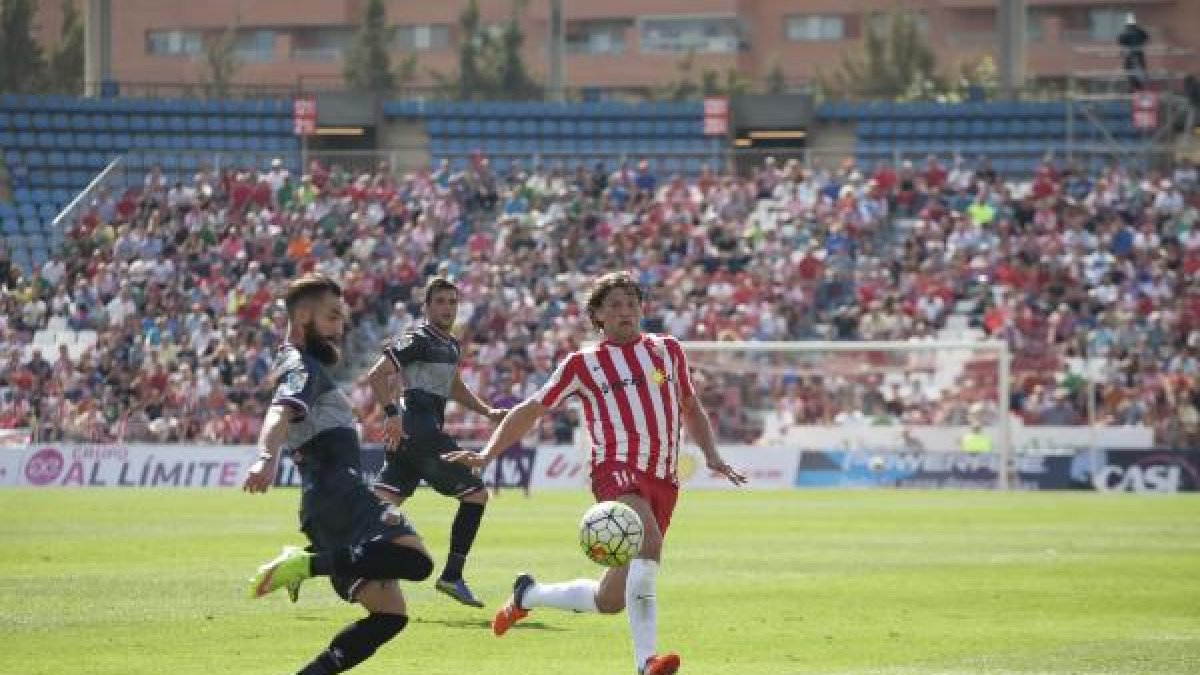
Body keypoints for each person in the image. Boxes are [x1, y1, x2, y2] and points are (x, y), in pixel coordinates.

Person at [446, 271, 747, 675]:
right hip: (616, 470)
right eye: (615, 305)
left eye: (631, 303)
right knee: (648, 543)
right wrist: (486, 454)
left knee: (610, 600)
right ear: (598, 316)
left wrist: (710, 454)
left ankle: (528, 595)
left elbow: (690, 407)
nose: (626, 311)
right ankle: (646, 663)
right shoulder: (583, 365)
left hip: (663, 478)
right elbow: (531, 410)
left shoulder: (667, 351)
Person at [243, 272, 435, 675]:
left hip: (324, 508)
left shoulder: (302, 365)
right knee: (416, 561)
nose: (340, 325)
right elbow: (279, 411)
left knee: (390, 615)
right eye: (332, 316)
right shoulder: (302, 364)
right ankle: (307, 564)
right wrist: (265, 457)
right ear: (303, 319)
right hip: (340, 496)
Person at [366, 276, 508, 608]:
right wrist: (391, 414)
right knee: (476, 494)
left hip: (410, 438)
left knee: (374, 511)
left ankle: (305, 563)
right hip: (421, 431)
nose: (447, 308)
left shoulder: (451, 344)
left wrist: (486, 411)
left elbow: (454, 386)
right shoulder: (418, 339)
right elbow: (376, 374)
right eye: (441, 302)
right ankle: (452, 576)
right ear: (427, 307)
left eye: (452, 302)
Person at [1118, 13, 1149, 91]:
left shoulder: (1125, 32)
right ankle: (1140, 87)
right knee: (1140, 70)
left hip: (1130, 55)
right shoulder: (1140, 31)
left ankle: (1135, 87)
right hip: (1138, 54)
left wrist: (1122, 52)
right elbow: (1146, 38)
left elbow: (1121, 41)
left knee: (1130, 70)